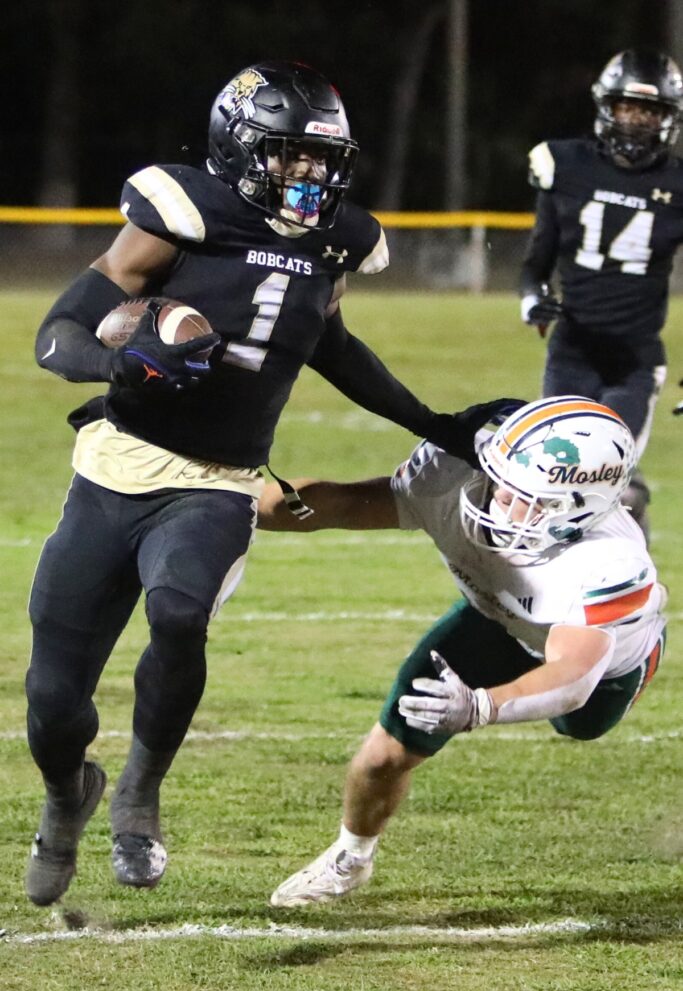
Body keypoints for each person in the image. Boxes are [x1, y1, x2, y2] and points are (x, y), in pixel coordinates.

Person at [25, 59, 512, 907]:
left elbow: (329, 344)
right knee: (52, 701)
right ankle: (67, 800)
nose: (309, 175)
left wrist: (435, 423)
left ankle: (140, 793)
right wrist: (121, 360)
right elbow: (56, 333)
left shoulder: (336, 239)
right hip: (117, 465)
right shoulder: (178, 212)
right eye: (288, 155)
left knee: (179, 611)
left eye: (321, 159)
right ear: (238, 145)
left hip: (219, 478)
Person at [256, 396, 667, 907]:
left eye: (521, 495)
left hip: (597, 658)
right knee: (384, 753)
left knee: (580, 726)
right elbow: (339, 502)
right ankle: (350, 858)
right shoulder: (453, 474)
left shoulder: (610, 563)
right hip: (495, 618)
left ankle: (647, 644)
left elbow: (573, 677)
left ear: (573, 509)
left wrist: (481, 707)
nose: (495, 497)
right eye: (499, 477)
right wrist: (226, 505)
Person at [519, 48, 683, 541]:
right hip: (571, 349)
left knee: (609, 479)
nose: (636, 121)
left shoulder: (677, 185)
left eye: (649, 111)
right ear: (606, 108)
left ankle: (628, 573)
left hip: (634, 359)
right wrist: (531, 300)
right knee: (557, 474)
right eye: (629, 108)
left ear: (667, 119)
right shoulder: (564, 164)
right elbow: (537, 261)